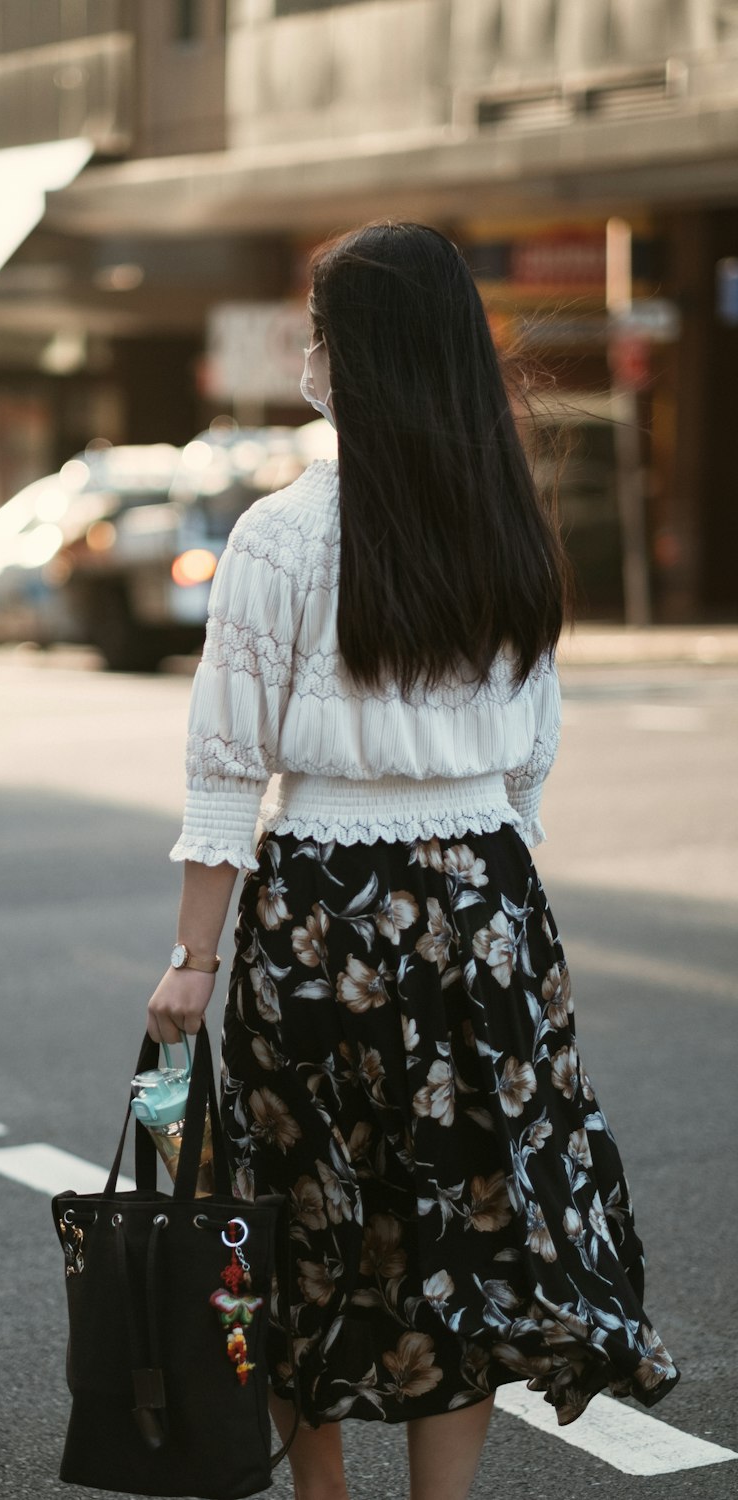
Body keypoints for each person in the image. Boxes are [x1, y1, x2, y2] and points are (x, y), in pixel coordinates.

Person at [146, 222, 678, 1500]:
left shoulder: (282, 534)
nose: (311, 353)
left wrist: (191, 959)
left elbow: (228, 764)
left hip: (325, 909)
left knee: (307, 1215)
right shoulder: (508, 523)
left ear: (354, 354)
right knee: (477, 1221)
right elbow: (530, 759)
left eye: (322, 330)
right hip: (485, 905)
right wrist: (473, 885)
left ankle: (323, 1495)